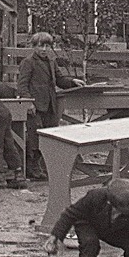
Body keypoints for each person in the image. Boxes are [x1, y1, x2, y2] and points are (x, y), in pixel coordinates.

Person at [18, 31, 79, 180]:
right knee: (35, 137)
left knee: (48, 135)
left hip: (50, 105)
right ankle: (32, 167)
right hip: (35, 106)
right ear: (34, 46)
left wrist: (73, 82)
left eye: (47, 46)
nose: (44, 49)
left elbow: (60, 80)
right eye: (40, 46)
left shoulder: (51, 62)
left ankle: (42, 166)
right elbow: (22, 85)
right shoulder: (28, 62)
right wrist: (28, 102)